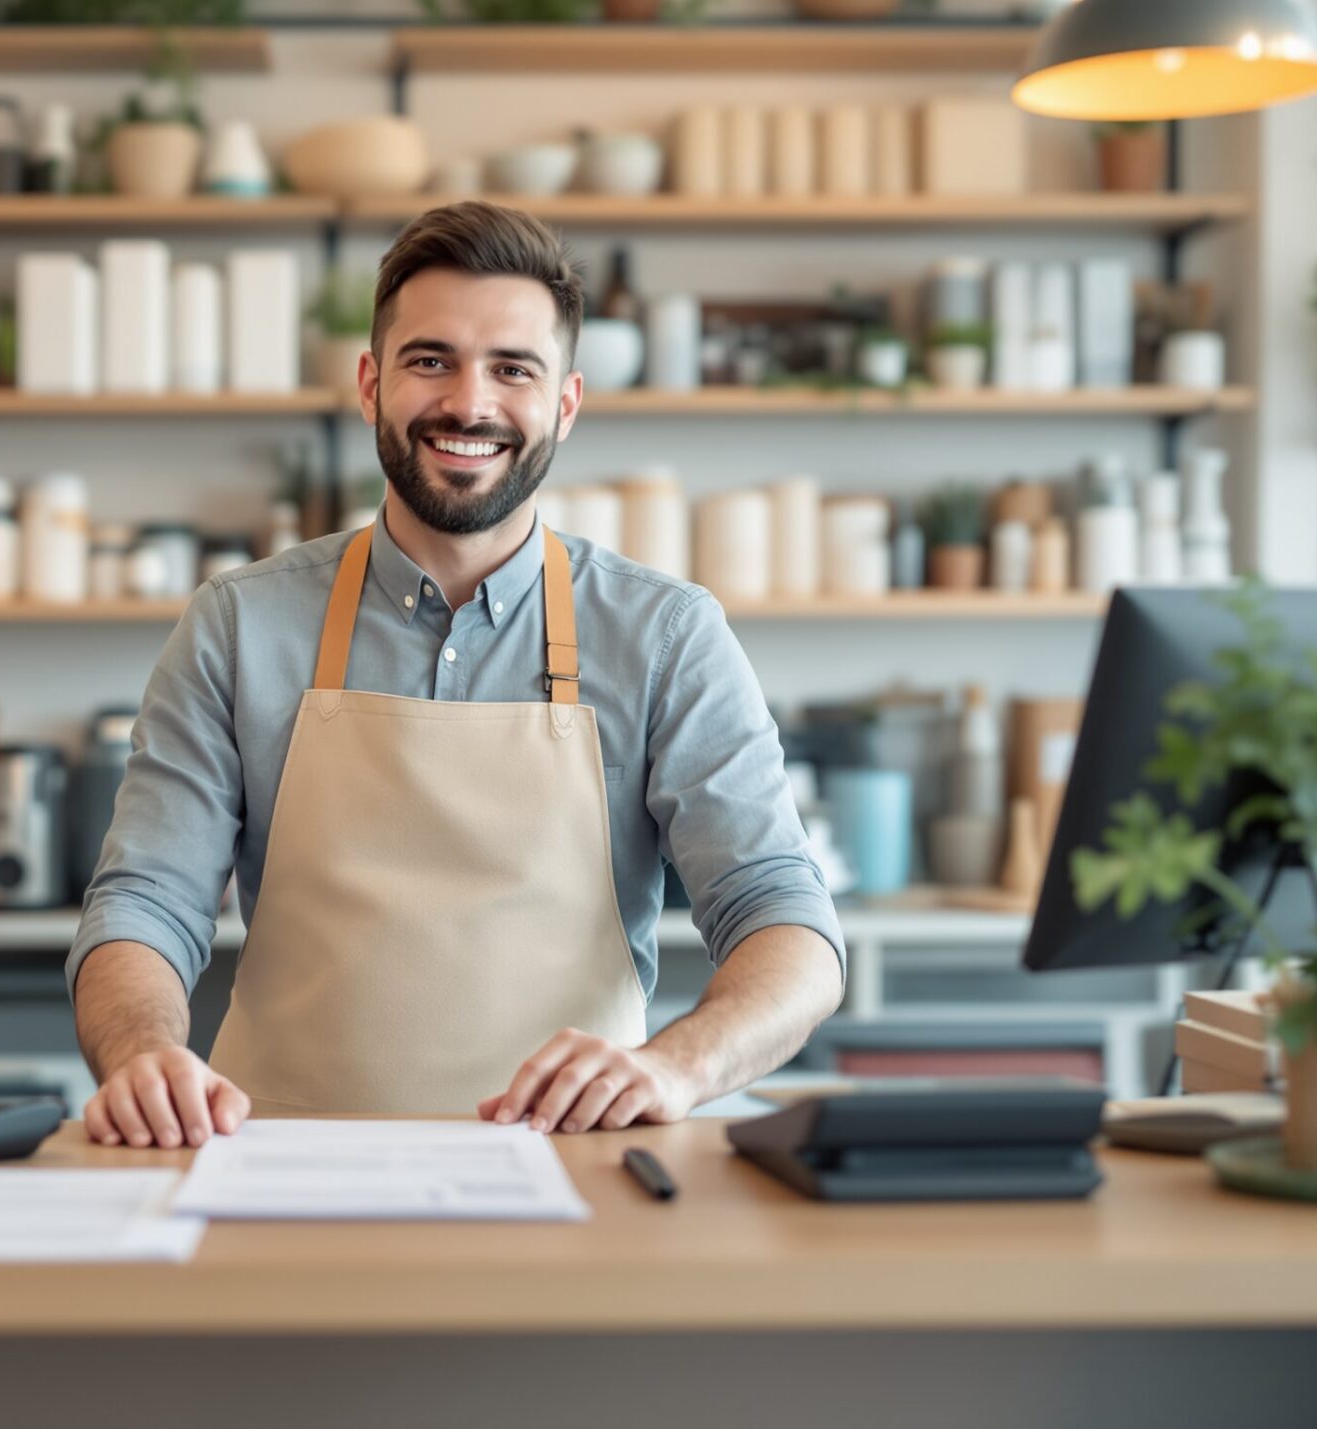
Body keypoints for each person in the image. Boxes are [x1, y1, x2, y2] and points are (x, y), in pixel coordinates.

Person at [68, 201, 843, 1146]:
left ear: (565, 403)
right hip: (279, 1163)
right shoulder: (239, 624)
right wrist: (144, 1053)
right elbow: (145, 899)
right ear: (370, 384)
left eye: (512, 369)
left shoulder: (667, 635)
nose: (469, 403)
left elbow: (785, 917)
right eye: (430, 359)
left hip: (578, 1168)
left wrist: (676, 1066)